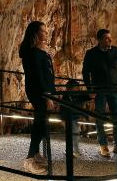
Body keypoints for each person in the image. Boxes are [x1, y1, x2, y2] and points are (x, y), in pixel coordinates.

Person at [82, 29, 117, 157]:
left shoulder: (116, 51)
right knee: (100, 117)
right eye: (107, 38)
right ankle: (103, 144)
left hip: (113, 90)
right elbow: (85, 72)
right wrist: (90, 89)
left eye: (110, 38)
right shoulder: (91, 54)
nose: (110, 40)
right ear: (100, 40)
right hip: (99, 90)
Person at [19, 21, 55, 175]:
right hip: (39, 92)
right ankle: (29, 160)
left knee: (42, 122)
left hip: (41, 91)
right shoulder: (34, 52)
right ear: (35, 33)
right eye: (43, 31)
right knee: (40, 123)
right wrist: (47, 95)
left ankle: (34, 154)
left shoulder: (37, 51)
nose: (46, 33)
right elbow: (39, 75)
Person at [62, 79, 90, 157]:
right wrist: (63, 120)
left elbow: (87, 97)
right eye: (76, 87)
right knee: (75, 134)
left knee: (75, 134)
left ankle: (70, 149)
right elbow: (62, 109)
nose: (77, 89)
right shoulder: (66, 97)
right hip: (69, 118)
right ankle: (75, 151)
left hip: (76, 117)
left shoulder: (78, 95)